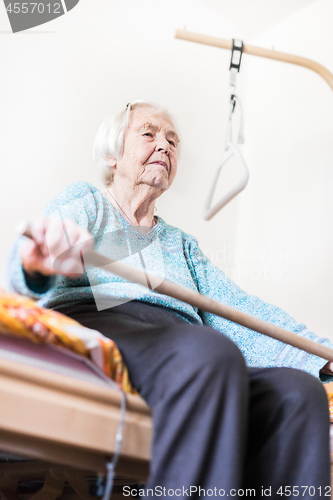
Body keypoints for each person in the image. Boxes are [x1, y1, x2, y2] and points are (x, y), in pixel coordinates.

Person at [6, 100, 333, 498]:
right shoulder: (89, 202)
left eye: (172, 141)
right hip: (105, 324)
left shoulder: (182, 245)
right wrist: (43, 256)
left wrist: (320, 353)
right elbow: (41, 248)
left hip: (183, 345)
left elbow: (241, 312)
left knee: (298, 394)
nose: (164, 146)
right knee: (207, 352)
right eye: (149, 133)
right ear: (112, 155)